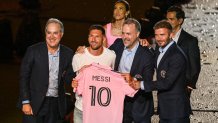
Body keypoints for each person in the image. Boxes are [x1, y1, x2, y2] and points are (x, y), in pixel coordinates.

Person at [17, 18, 75, 123]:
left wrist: (73, 81)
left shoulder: (68, 53)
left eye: (55, 33)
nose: (51, 37)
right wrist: (25, 101)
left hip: (55, 104)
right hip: (34, 102)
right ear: (45, 33)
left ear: (61, 34)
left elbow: (68, 77)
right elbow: (24, 77)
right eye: (49, 33)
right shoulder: (33, 51)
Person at [133, 20, 192, 123]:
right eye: (156, 35)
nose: (159, 39)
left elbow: (166, 83)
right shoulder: (160, 49)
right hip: (165, 110)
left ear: (171, 35)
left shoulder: (176, 55)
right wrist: (148, 47)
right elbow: (157, 58)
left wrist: (141, 84)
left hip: (176, 111)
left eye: (162, 35)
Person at [109, 18, 154, 123]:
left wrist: (133, 79)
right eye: (123, 33)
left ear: (137, 34)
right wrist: (85, 50)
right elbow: (103, 55)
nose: (125, 37)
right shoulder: (117, 44)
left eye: (128, 34)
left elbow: (148, 81)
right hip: (119, 103)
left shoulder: (147, 54)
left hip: (139, 104)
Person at [72, 24, 116, 123]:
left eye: (97, 36)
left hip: (101, 110)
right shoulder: (78, 57)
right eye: (91, 36)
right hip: (81, 109)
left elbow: (112, 78)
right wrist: (74, 83)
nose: (93, 39)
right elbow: (75, 80)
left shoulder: (111, 56)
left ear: (103, 38)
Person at [166, 6, 201, 96]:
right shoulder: (162, 39)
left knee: (181, 110)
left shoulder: (190, 40)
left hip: (182, 87)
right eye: (167, 19)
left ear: (180, 21)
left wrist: (190, 85)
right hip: (164, 86)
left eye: (171, 19)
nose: (168, 22)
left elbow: (195, 65)